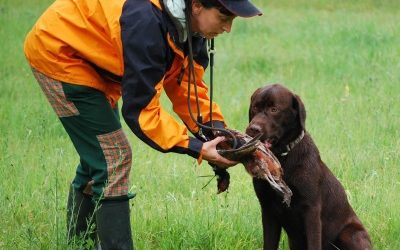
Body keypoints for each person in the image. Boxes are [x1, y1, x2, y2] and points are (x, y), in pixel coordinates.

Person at [24, 0, 262, 249]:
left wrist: (218, 133)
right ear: (197, 6)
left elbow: (188, 89)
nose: (228, 29)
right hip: (61, 53)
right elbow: (143, 113)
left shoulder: (191, 29)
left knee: (101, 156)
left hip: (96, 59)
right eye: (224, 18)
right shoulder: (146, 23)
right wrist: (198, 148)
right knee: (113, 156)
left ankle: (77, 244)